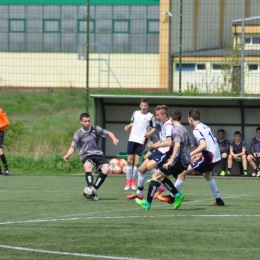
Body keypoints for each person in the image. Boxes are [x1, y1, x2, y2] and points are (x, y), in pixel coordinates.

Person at [158, 109, 225, 206]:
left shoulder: (196, 130)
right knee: (207, 175)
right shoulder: (205, 126)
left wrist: (190, 154)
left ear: (191, 119)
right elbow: (211, 143)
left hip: (209, 159)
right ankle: (219, 200)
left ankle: (172, 197)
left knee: (182, 173)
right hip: (216, 156)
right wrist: (201, 154)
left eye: (188, 119)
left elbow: (203, 145)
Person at [135, 109, 192, 210]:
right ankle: (176, 194)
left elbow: (176, 145)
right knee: (158, 176)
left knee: (155, 176)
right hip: (185, 162)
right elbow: (190, 144)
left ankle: (147, 203)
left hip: (177, 160)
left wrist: (171, 160)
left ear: (170, 117)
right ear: (182, 118)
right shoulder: (184, 129)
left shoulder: (174, 129)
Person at [63, 112, 119, 201]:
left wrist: (114, 139)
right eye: (85, 121)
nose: (88, 123)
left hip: (98, 154)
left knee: (106, 169)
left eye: (89, 121)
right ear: (80, 122)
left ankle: (93, 190)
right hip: (86, 155)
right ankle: (90, 187)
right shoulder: (78, 134)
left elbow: (109, 133)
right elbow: (72, 147)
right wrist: (67, 155)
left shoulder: (96, 129)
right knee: (88, 166)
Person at [126, 104, 173, 200]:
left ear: (164, 115)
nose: (156, 117)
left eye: (158, 115)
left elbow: (169, 142)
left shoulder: (168, 125)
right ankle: (139, 193)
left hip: (165, 152)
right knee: (142, 168)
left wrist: (154, 145)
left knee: (150, 168)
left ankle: (168, 190)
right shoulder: (162, 124)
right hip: (159, 150)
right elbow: (162, 138)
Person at [124, 99, 156, 191]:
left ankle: (133, 179)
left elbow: (154, 128)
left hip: (141, 140)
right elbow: (132, 122)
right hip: (132, 138)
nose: (143, 107)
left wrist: (148, 134)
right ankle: (128, 180)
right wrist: (128, 126)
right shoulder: (135, 113)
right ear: (140, 105)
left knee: (137, 162)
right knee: (129, 160)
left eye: (145, 105)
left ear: (148, 106)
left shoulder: (150, 116)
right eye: (142, 105)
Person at [0, 108, 10, 176]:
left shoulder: (1, 111)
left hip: (0, 132)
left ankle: (6, 169)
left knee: (0, 151)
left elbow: (7, 122)